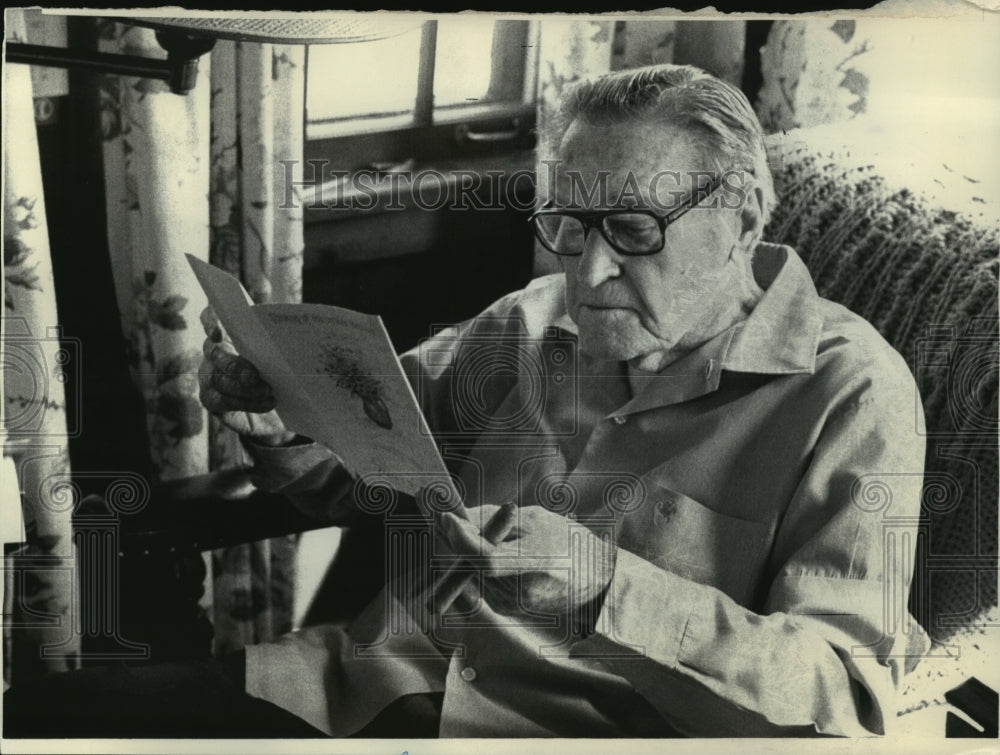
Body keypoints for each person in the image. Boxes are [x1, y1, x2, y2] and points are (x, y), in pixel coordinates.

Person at [4, 63, 928, 739]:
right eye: (568, 226)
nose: (590, 270)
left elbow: (846, 689)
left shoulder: (852, 395)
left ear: (745, 223)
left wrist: (613, 588)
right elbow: (374, 477)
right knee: (42, 714)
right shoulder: (528, 321)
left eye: (636, 230)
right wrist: (285, 428)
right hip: (366, 684)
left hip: (579, 730)